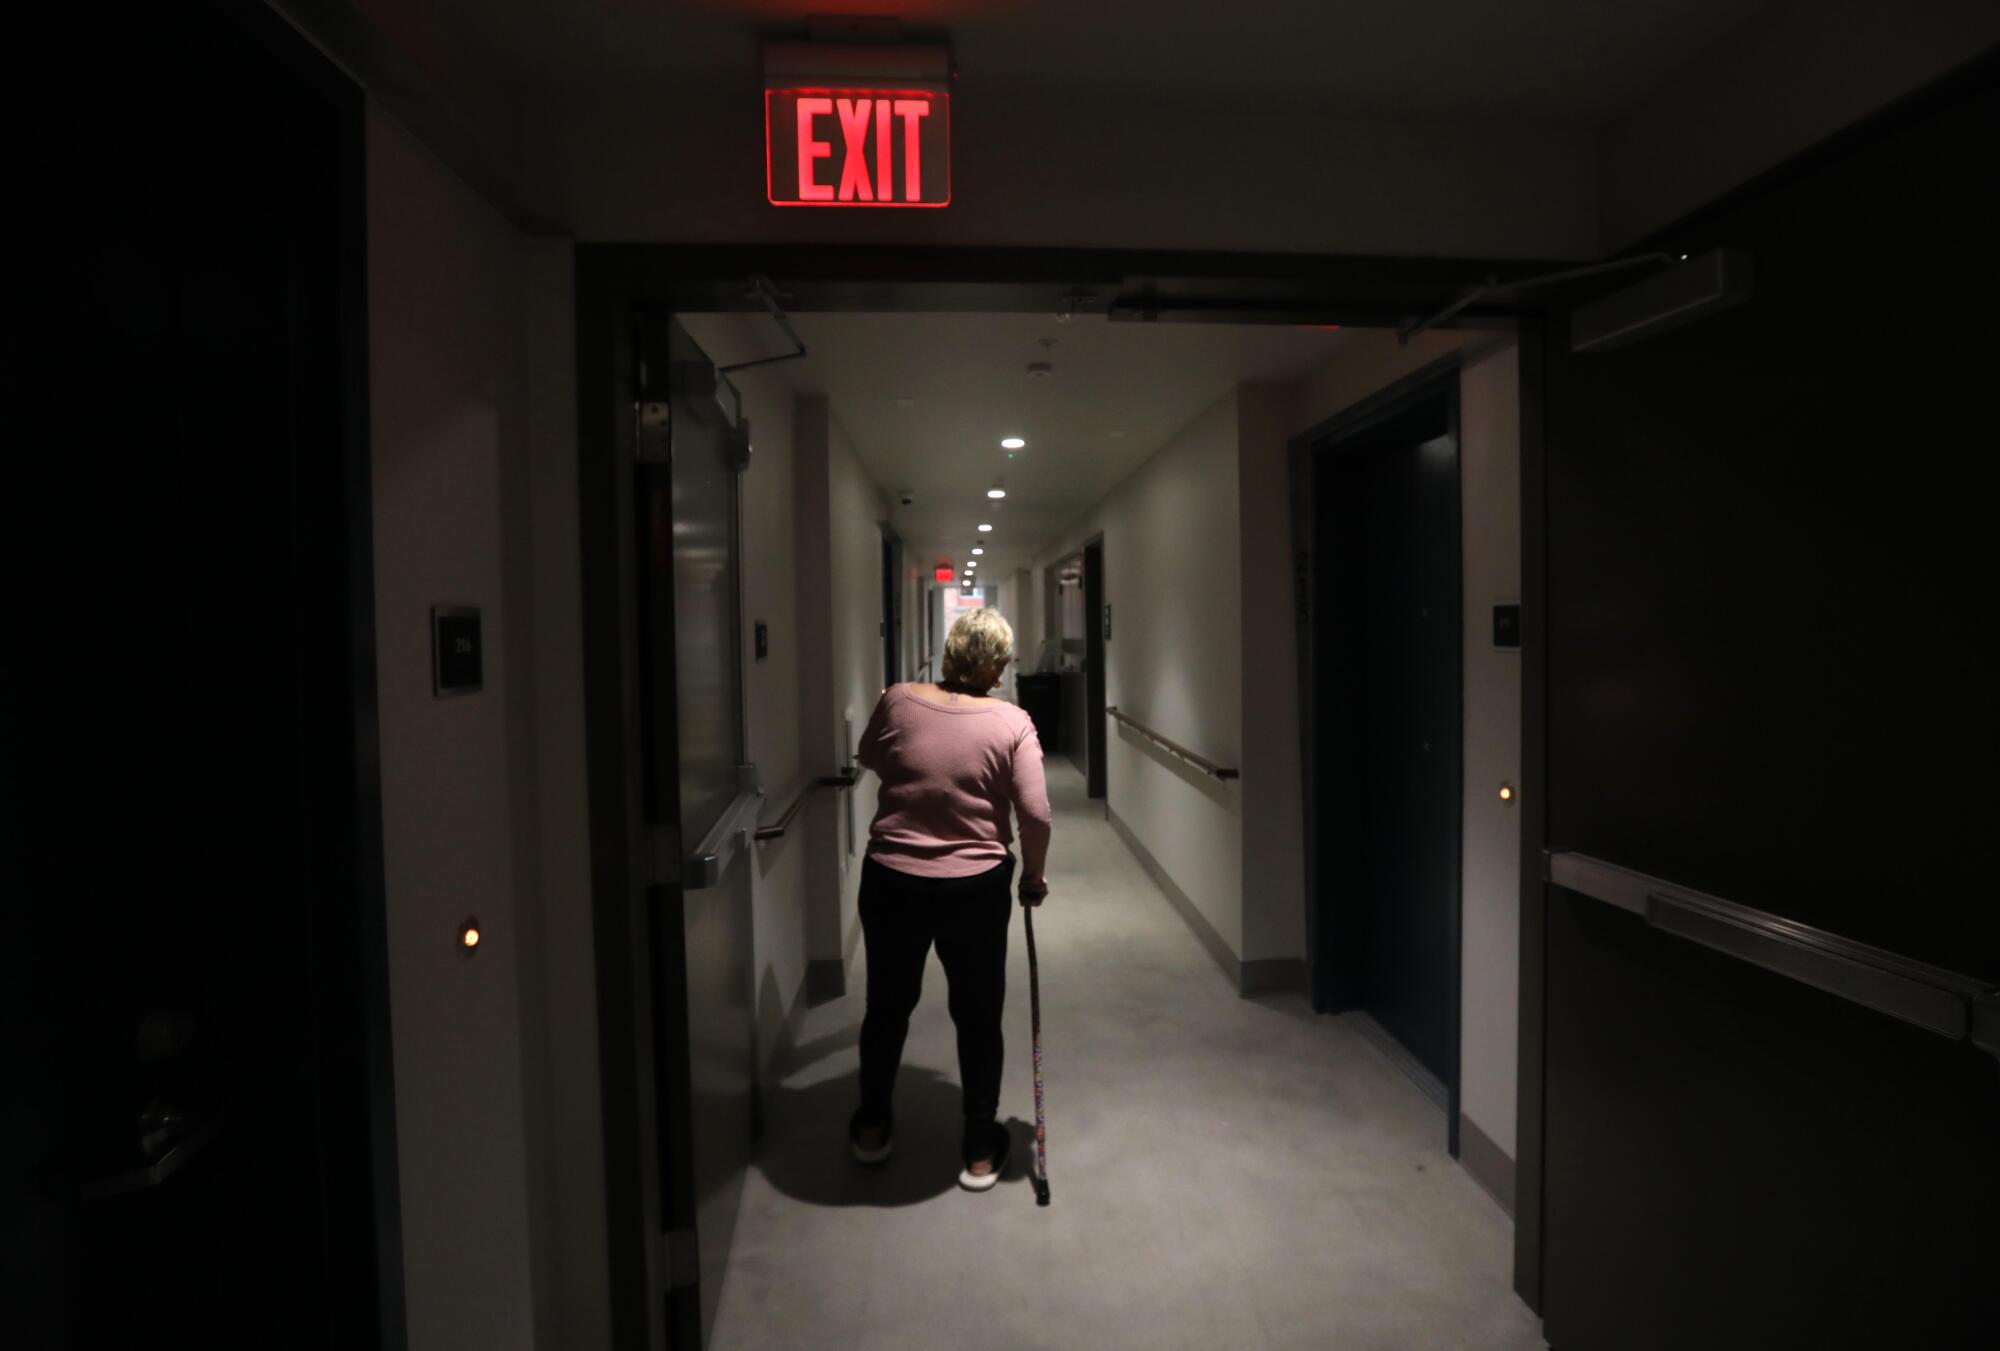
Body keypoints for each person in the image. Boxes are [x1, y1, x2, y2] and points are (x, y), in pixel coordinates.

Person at [850, 607, 1053, 1192]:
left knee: (887, 1004)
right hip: (976, 887)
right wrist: (1033, 877)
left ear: (950, 649)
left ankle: (870, 1126)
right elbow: (1035, 813)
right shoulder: (1012, 722)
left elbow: (872, 757)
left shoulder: (898, 700)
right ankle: (981, 1149)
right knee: (978, 1012)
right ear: (998, 665)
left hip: (892, 878)